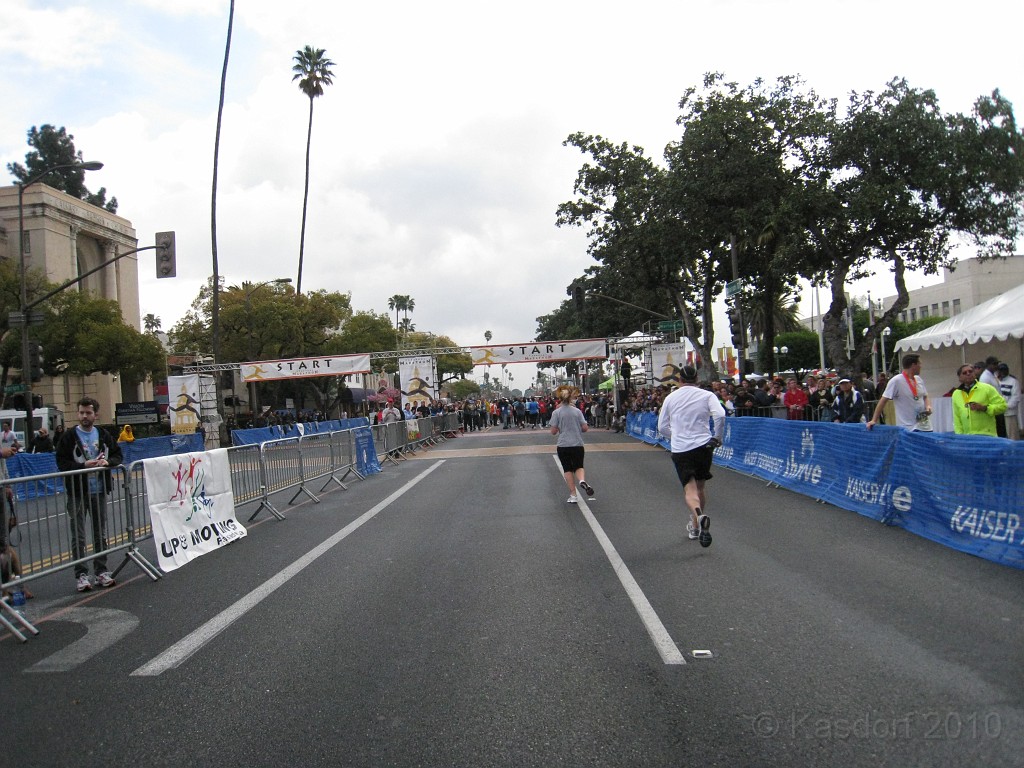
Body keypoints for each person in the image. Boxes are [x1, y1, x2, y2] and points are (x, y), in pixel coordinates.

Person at [55, 397, 123, 593]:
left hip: (99, 490)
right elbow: (61, 462)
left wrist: (107, 462)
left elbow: (118, 455)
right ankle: (81, 575)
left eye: (88, 413)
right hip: (77, 492)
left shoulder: (103, 435)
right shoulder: (69, 437)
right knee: (79, 535)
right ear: (78, 414)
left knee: (100, 533)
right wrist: (82, 466)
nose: (84, 416)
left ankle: (101, 571)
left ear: (96, 415)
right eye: (81, 413)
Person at [657, 365, 726, 548]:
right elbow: (720, 415)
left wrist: (676, 435)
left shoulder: (671, 398)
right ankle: (696, 524)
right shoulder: (707, 395)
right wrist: (717, 437)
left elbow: (662, 427)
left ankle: (698, 517)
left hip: (681, 448)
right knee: (701, 487)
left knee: (690, 489)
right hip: (703, 445)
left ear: (679, 380)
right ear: (697, 379)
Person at [549, 386, 593, 504]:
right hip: (577, 443)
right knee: (579, 466)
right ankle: (582, 480)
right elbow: (585, 428)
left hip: (563, 444)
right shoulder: (577, 411)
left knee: (567, 469)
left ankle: (573, 494)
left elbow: (553, 431)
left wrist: (561, 426)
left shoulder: (556, 412)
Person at [867, 354, 933, 431]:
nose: (921, 366)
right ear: (913, 365)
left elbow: (925, 396)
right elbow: (883, 400)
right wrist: (874, 420)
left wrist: (928, 406)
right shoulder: (896, 381)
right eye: (919, 363)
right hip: (908, 428)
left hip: (925, 426)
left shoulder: (919, 380)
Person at [952, 363, 1007, 436]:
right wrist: (959, 436)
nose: (968, 374)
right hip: (967, 437)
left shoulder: (987, 388)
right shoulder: (956, 394)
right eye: (964, 373)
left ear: (974, 374)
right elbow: (957, 418)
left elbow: (1003, 406)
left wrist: (985, 408)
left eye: (970, 371)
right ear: (960, 378)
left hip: (986, 435)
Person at [996, 363, 1021, 440]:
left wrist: (1005, 406)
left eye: (1003, 371)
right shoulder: (996, 381)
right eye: (1000, 371)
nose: (1001, 373)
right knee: (1001, 435)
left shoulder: (1013, 381)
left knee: (1012, 435)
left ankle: (1014, 450)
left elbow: (1016, 397)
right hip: (998, 413)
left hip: (1010, 413)